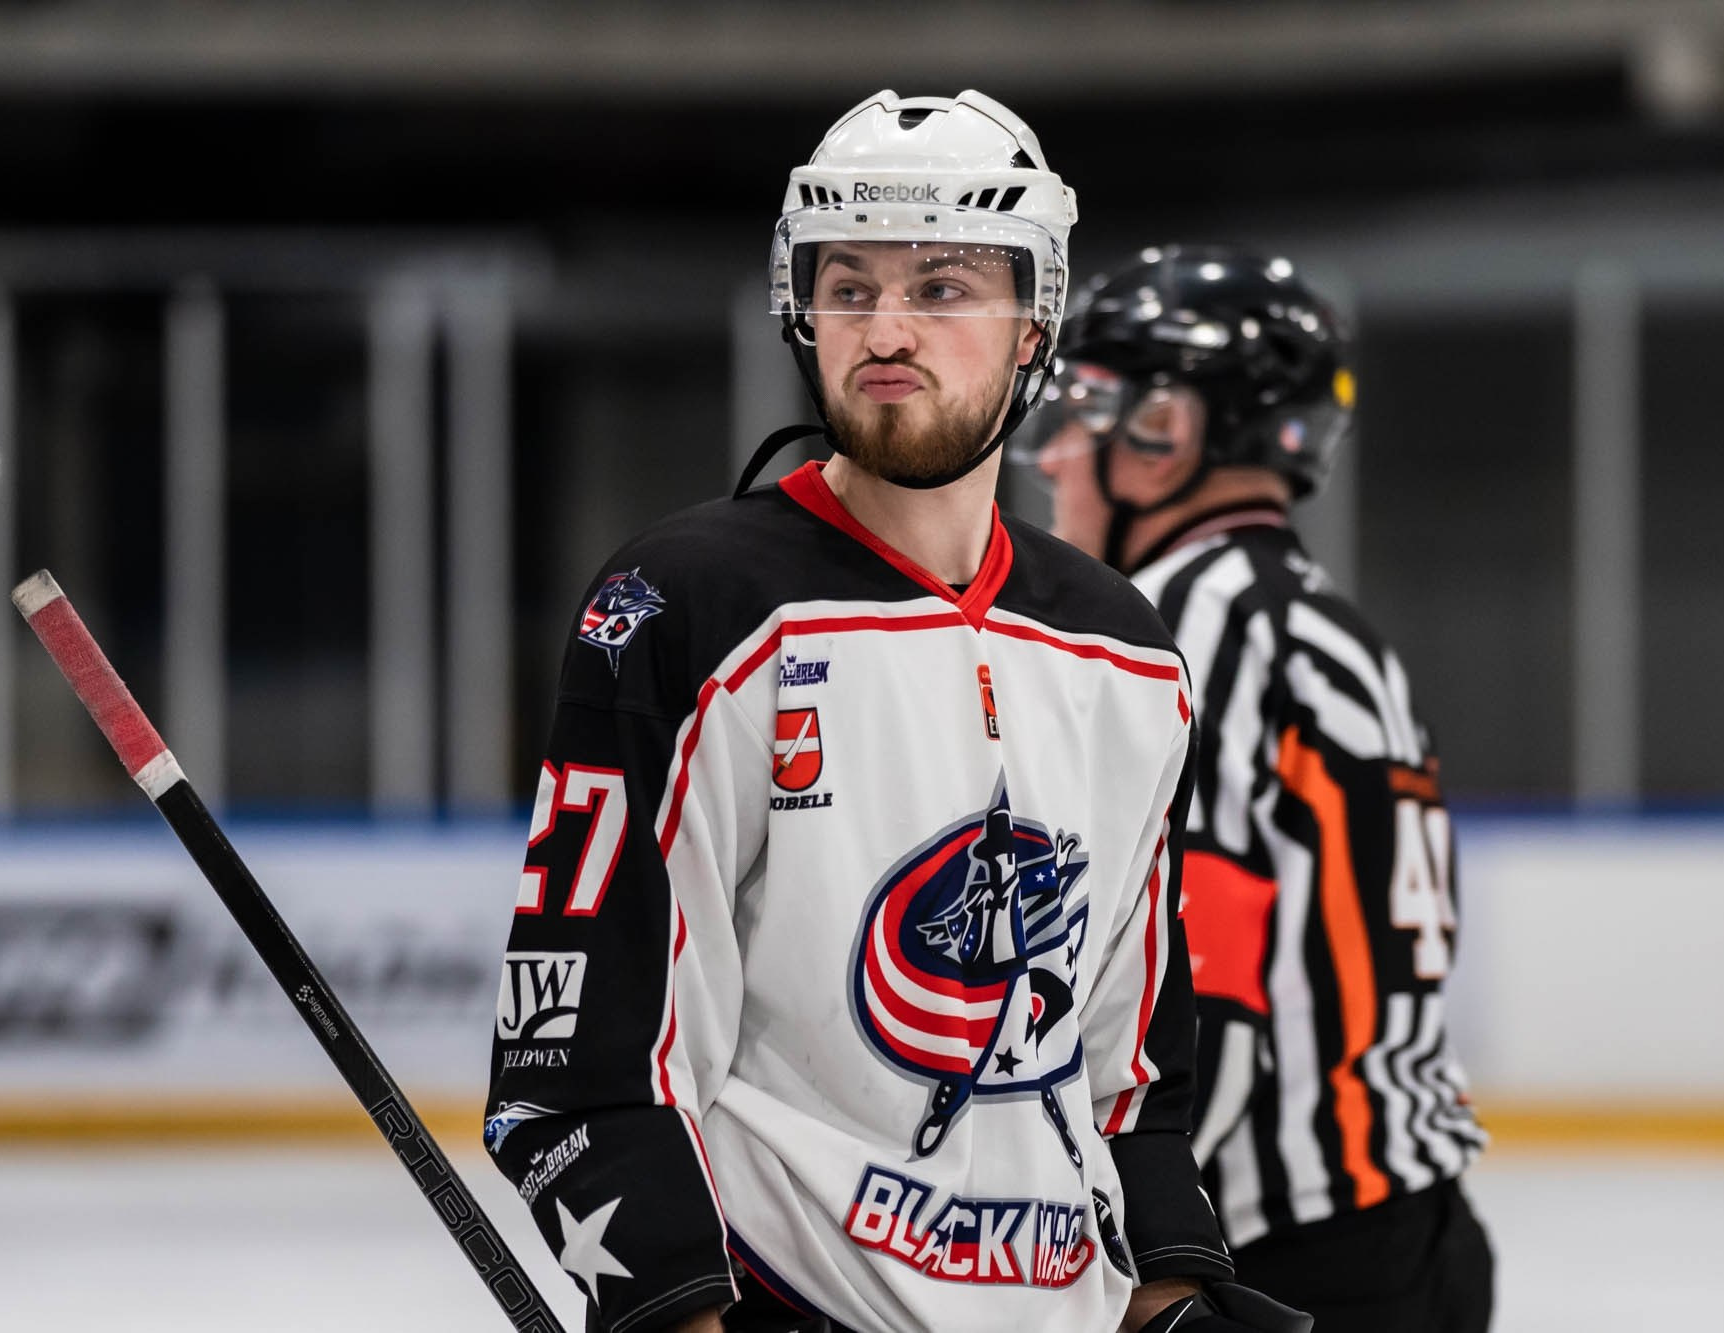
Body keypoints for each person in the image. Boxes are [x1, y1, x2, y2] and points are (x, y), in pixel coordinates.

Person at [485, 97, 1308, 1333]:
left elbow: (1129, 1071)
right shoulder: (691, 606)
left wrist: (1171, 1294)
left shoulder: (1119, 646)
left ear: (1035, 319)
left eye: (940, 288)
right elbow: (582, 1060)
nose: (884, 329)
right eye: (849, 286)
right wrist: (677, 1311)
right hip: (789, 1297)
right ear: (796, 304)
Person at [1024, 243, 1494, 1332]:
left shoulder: (1187, 625)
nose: (1052, 457)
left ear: (1170, 428)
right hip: (1402, 1232)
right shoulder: (1326, 625)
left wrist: (1135, 1253)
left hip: (1283, 1258)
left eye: (1089, 406)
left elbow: (1207, 982)